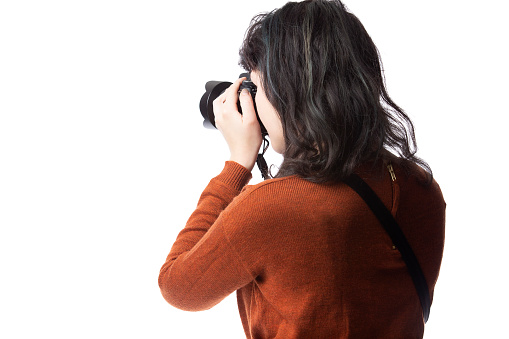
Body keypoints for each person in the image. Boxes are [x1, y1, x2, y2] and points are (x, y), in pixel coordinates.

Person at [158, 0, 446, 338]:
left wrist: (237, 164)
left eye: (255, 88)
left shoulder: (270, 208)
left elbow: (178, 286)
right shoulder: (421, 186)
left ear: (288, 96)